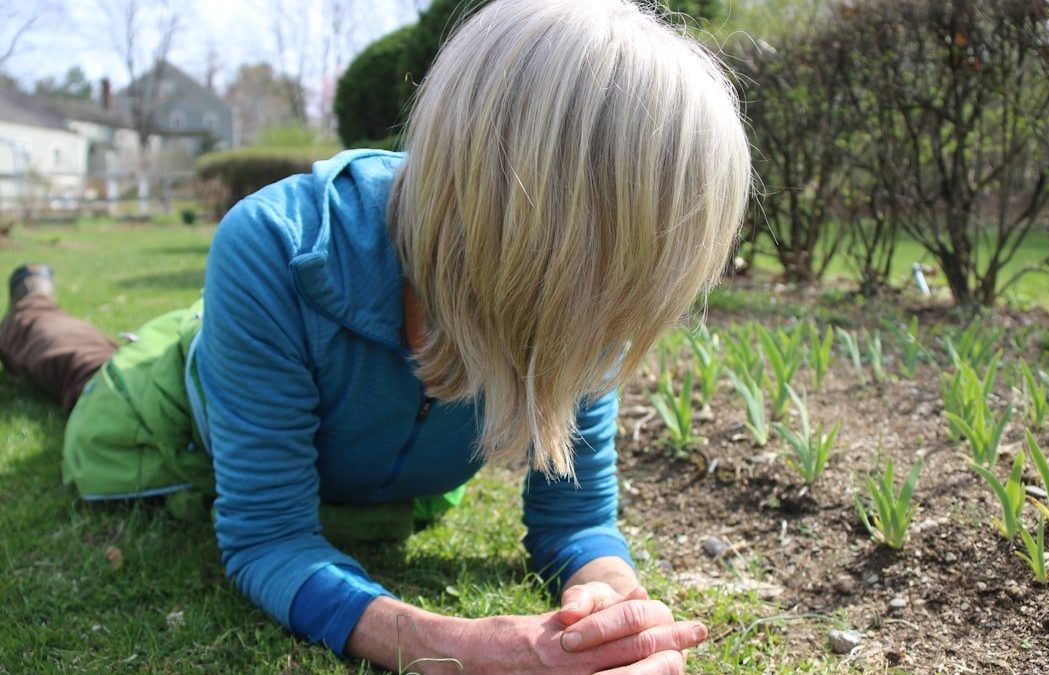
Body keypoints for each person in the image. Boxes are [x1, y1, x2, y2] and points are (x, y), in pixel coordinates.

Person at [0, 0, 751, 672]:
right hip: (173, 409)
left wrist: (615, 613)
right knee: (75, 362)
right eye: (613, 269)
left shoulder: (597, 296)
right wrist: (461, 647)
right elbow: (268, 539)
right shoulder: (271, 243)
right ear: (531, 222)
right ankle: (32, 303)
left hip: (291, 395)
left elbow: (577, 521)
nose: (616, 316)